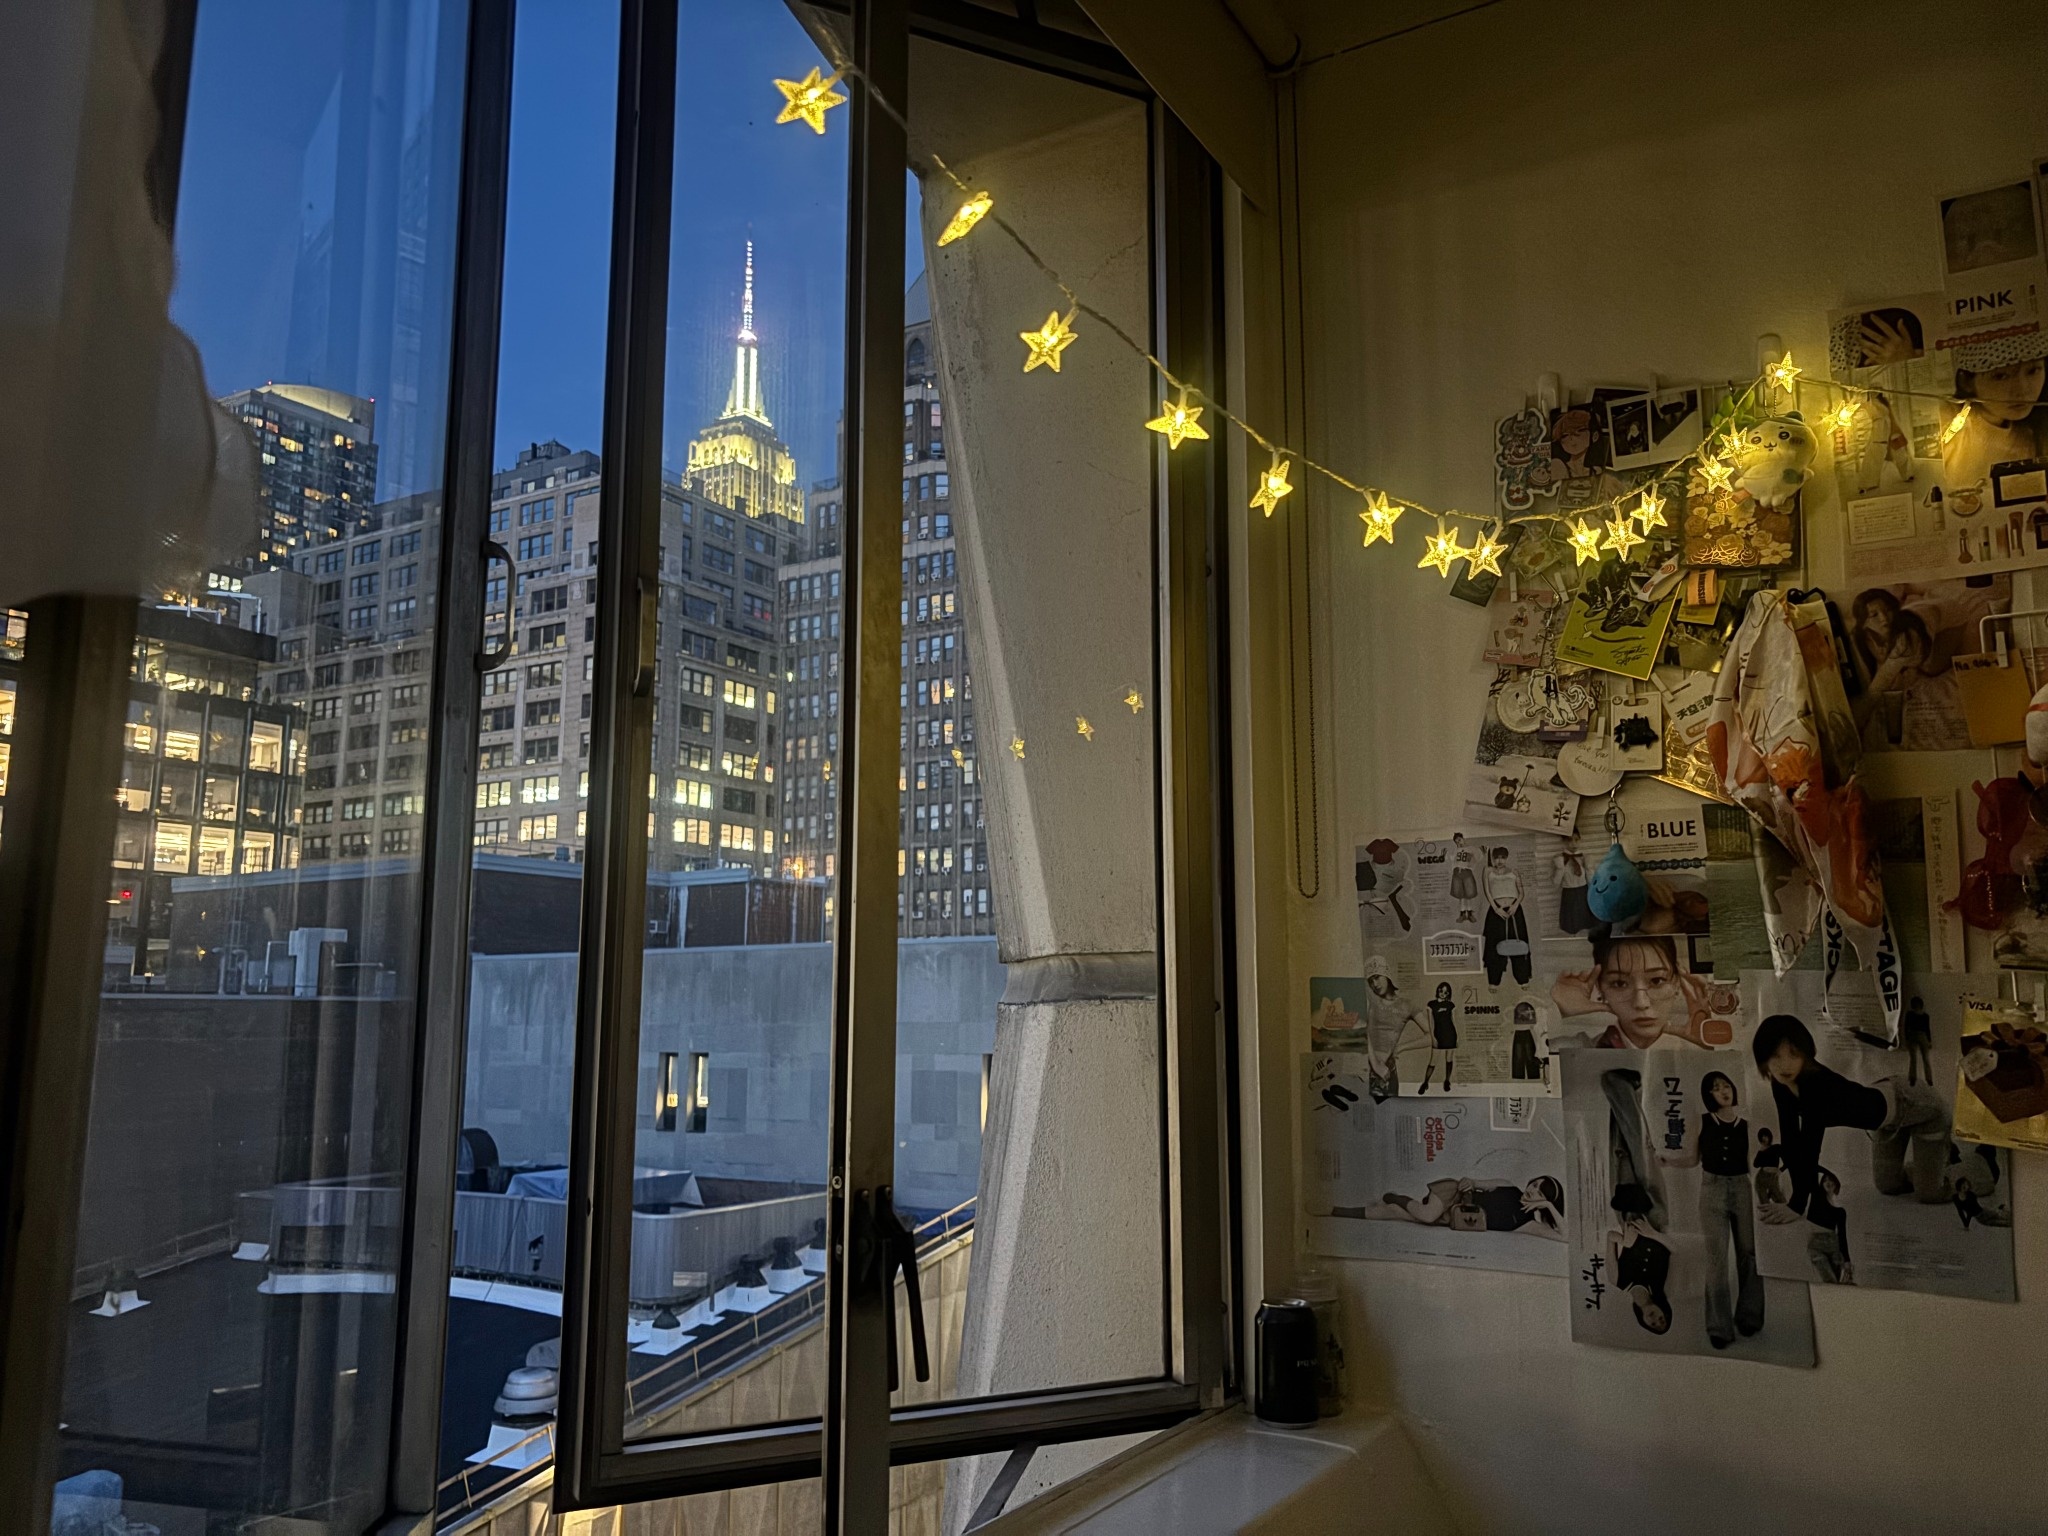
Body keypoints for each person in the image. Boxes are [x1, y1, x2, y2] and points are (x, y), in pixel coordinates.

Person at [1751, 1013, 1952, 1223]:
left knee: (1930, 1193)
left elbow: (1809, 1150)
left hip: (1918, 1106)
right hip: (1888, 1118)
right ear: (1764, 1058)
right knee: (1888, 1186)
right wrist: (1795, 1201)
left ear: (1806, 1054)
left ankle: (1976, 1166)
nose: (1785, 1065)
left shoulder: (1815, 1086)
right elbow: (1791, 1140)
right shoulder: (1781, 1085)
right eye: (1776, 1056)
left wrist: (1797, 1205)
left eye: (1793, 1054)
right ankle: (1929, 1165)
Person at [1659, 1071, 1765, 1348]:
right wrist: (1669, 1161)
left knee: (1750, 1254)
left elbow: (1756, 1161)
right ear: (1710, 1095)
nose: (1724, 1091)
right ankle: (1719, 1327)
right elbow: (1693, 1158)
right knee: (1716, 1259)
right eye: (1717, 1088)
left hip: (1742, 1188)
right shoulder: (1703, 1121)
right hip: (1712, 1190)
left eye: (1726, 1086)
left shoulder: (1747, 1124)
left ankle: (1750, 1316)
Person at [1552, 933, 1737, 1049]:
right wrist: (1556, 1009)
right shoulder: (1575, 1050)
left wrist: (1712, 1048)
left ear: (1676, 984)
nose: (1641, 1003)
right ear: (1601, 988)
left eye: (1657, 980)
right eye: (1619, 983)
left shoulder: (1698, 1049)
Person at [1335, 1176, 1563, 1241]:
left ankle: (1338, 1211)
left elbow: (1567, 1237)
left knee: (1393, 1213)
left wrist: (1549, 1207)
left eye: (1539, 1193)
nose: (1531, 1190)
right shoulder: (1508, 1185)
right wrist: (1469, 1183)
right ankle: (1397, 1196)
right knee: (1426, 1214)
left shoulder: (1527, 1224)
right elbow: (1472, 1181)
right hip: (1451, 1195)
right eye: (1534, 1184)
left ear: (1544, 1200)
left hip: (1452, 1218)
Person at [1602, 1067, 1667, 1233]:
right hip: (1651, 1223)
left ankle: (1626, 1089)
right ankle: (1622, 1086)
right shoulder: (1658, 1220)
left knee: (1621, 1152)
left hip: (1631, 1224)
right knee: (1637, 1147)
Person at [1608, 1214, 1672, 1335]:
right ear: (1664, 1311)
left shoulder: (1616, 1280)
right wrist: (1653, 1234)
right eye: (1661, 1319)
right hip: (1657, 1216)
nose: (1655, 1319)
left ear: (1643, 1322)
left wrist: (1624, 1242)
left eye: (1653, 1324)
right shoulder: (1658, 1283)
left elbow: (1610, 1236)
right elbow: (1675, 1249)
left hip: (1627, 1215)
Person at [1481, 845, 1531, 986]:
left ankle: (1522, 979)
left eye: (1502, 857)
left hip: (1514, 910)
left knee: (1519, 943)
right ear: (1493, 859)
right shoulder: (1488, 871)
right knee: (1494, 945)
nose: (1499, 861)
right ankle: (1494, 980)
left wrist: (1515, 905)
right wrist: (1496, 909)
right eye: (1496, 858)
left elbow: (1521, 892)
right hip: (1496, 910)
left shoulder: (1514, 871)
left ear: (1507, 858)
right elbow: (1487, 892)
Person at [1805, 1168, 1853, 1284]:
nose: (1828, 1182)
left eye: (1831, 1180)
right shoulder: (1817, 1197)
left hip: (1834, 1245)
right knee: (1829, 1281)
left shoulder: (1841, 1211)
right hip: (1816, 1245)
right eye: (1825, 1180)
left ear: (1836, 1184)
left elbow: (1842, 1235)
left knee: (1836, 1282)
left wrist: (1847, 1260)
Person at [1419, 981, 1458, 1094]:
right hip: (1438, 1035)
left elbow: (1454, 1021)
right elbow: (1431, 1023)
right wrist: (1433, 1037)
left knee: (1449, 1060)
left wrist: (1457, 1037)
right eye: (1441, 991)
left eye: (1445, 992)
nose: (1442, 993)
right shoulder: (1431, 1004)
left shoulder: (1451, 1005)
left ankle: (1447, 1081)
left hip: (1450, 1035)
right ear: (1438, 990)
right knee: (1432, 1062)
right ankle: (1425, 1082)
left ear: (1448, 994)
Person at [1552, 843, 1593, 934]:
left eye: (1576, 839)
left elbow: (1590, 880)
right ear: (1564, 841)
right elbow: (1555, 884)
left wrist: (1589, 868)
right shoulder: (1561, 859)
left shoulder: (1583, 857)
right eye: (1569, 840)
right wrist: (1560, 868)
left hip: (1583, 892)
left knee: (1585, 922)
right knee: (1571, 924)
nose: (1574, 843)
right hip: (1569, 894)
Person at [1509, 999, 1545, 1083]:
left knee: (1528, 1057)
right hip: (1522, 1031)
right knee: (1522, 1057)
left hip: (1525, 1031)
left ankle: (1530, 1078)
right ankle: (1523, 1078)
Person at [1902, 995, 1933, 1087]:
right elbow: (1927, 1029)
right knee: (1924, 1059)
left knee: (1914, 1059)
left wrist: (1907, 1038)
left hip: (1913, 1035)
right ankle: (1928, 1079)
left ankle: (1913, 1079)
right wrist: (1929, 1041)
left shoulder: (1910, 1015)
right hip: (1921, 1036)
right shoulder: (1925, 1016)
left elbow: (1906, 1027)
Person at [1449, 832, 1479, 923]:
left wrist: (1470, 865)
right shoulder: (1456, 851)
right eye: (1456, 841)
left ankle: (1469, 913)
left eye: (1459, 839)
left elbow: (1475, 858)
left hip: (1467, 872)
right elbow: (1452, 859)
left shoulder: (1470, 849)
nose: (1458, 842)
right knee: (1461, 895)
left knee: (1468, 894)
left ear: (1463, 838)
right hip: (1458, 872)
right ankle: (1462, 914)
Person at [1753, 1127, 1786, 1206]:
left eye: (1765, 1136)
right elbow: (1755, 1164)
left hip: (1773, 1177)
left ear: (1769, 1136)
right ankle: (1769, 1217)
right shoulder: (1762, 1151)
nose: (1764, 1139)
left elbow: (1788, 1161)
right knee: (1764, 1203)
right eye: (1762, 1137)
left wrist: (1781, 1170)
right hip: (1761, 1177)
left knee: (1781, 1201)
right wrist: (1760, 1151)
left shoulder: (1776, 1147)